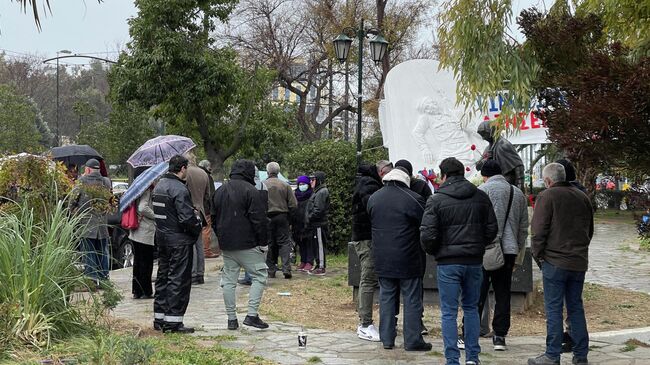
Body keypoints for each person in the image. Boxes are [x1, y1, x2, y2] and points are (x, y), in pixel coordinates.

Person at [420, 157, 498, 365]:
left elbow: (427, 235)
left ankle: (452, 359)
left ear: (443, 176)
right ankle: (472, 357)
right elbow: (492, 230)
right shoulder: (481, 197)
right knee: (471, 308)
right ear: (463, 173)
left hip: (448, 262)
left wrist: (437, 250)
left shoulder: (436, 200)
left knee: (449, 312)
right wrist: (477, 245)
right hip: (473, 261)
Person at [528, 163, 593, 365]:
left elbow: (538, 232)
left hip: (555, 261)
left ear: (548, 181)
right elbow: (589, 230)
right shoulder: (583, 197)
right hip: (578, 261)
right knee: (575, 308)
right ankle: (581, 355)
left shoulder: (547, 197)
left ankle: (552, 355)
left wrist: (539, 256)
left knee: (554, 309)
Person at [367, 166, 431, 351]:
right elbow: (424, 222)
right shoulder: (413, 198)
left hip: (382, 257)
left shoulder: (374, 198)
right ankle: (412, 340)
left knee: (386, 297)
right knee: (411, 299)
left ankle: (387, 339)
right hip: (408, 257)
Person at [468, 160, 528, 351]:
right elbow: (523, 227)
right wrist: (518, 251)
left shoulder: (479, 192)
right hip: (509, 251)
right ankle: (500, 336)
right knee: (503, 293)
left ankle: (470, 333)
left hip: (485, 250)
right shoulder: (517, 193)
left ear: (485, 175)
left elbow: (474, 223)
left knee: (477, 293)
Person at [212, 159, 270, 330]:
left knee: (229, 280)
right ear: (249, 173)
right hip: (248, 243)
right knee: (260, 275)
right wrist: (263, 243)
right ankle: (252, 315)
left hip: (227, 244)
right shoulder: (251, 191)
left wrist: (221, 237)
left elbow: (213, 218)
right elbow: (259, 220)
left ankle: (231, 319)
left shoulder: (220, 190)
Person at [152, 155, 202, 333]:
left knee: (163, 277)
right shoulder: (179, 189)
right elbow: (186, 218)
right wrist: (197, 226)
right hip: (179, 240)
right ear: (182, 168)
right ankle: (173, 322)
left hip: (162, 238)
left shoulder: (159, 185)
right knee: (178, 280)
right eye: (186, 168)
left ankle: (159, 318)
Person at [351, 163, 383, 342]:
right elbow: (373, 206)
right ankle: (365, 324)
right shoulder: (369, 185)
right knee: (368, 278)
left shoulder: (362, 182)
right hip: (366, 237)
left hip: (363, 236)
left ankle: (366, 321)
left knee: (368, 277)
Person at [70, 158, 112, 285]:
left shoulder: (82, 181)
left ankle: (92, 280)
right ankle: (104, 279)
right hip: (102, 224)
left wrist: (73, 211)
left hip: (87, 224)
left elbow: (72, 200)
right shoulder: (106, 181)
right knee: (103, 252)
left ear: (87, 169)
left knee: (89, 253)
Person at [264, 162, 298, 279]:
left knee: (270, 243)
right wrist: (290, 218)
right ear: (278, 171)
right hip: (282, 216)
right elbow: (293, 204)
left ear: (268, 171)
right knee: (284, 242)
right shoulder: (285, 185)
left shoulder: (263, 185)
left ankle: (271, 270)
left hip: (267, 217)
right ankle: (286, 268)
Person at [183, 151, 211, 285]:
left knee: (191, 243)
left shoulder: (186, 173)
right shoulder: (203, 173)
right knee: (199, 243)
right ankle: (200, 273)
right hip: (201, 211)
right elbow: (207, 195)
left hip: (189, 211)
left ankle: (193, 273)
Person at [476, 120, 525, 191]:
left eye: (484, 134)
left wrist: (520, 188)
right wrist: (485, 160)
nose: (483, 138)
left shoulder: (504, 145)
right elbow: (478, 167)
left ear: (491, 131)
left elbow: (518, 166)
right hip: (492, 187)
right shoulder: (488, 149)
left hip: (507, 185)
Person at [129, 184, 156, 299]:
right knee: (146, 263)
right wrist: (155, 216)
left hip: (135, 232)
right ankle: (146, 291)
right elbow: (142, 207)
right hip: (144, 231)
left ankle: (137, 291)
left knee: (138, 262)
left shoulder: (136, 189)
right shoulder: (146, 190)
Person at [305, 171, 330, 276]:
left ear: (318, 180)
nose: (311, 182)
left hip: (319, 224)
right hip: (315, 224)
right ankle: (318, 264)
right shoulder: (317, 191)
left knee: (319, 245)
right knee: (315, 245)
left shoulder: (322, 192)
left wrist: (310, 218)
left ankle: (321, 267)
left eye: (313, 179)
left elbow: (318, 210)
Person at [198, 159, 220, 258]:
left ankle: (200, 251)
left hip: (195, 206)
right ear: (207, 167)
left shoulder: (194, 174)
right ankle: (206, 251)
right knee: (206, 229)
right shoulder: (207, 177)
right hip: (206, 207)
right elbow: (211, 194)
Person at [293, 175, 314, 272]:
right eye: (300, 184)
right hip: (297, 223)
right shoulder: (295, 195)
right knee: (300, 243)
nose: (302, 186)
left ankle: (309, 261)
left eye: (304, 184)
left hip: (308, 222)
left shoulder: (311, 195)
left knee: (309, 242)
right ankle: (303, 260)